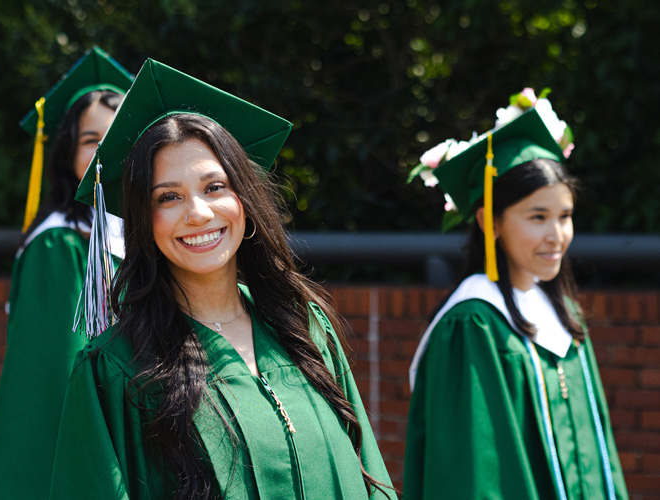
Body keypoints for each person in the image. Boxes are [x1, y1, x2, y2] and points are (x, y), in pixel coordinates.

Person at [49, 59, 397, 500]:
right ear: (143, 219)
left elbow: (370, 477)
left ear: (244, 199)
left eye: (214, 187)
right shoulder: (117, 371)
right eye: (168, 197)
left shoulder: (304, 329)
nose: (198, 212)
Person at [404, 89, 629, 499]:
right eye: (537, 217)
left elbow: (601, 458)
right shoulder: (473, 326)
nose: (556, 235)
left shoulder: (565, 318)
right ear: (490, 221)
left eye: (565, 216)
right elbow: (473, 475)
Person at [0, 47, 133, 500]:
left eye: (121, 135)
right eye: (91, 139)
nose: (106, 151)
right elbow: (52, 383)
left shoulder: (144, 237)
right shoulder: (60, 245)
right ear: (67, 152)